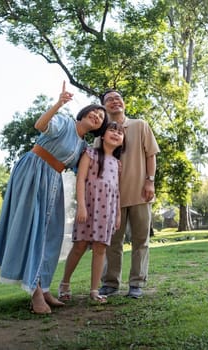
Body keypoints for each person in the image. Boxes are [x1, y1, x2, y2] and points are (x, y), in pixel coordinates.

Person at [0, 82, 107, 314]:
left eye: (102, 117)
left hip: (53, 181)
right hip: (33, 172)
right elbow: (40, 125)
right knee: (33, 229)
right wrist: (58, 103)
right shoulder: (64, 121)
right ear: (84, 113)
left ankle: (43, 287)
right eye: (95, 111)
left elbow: (84, 173)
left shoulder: (83, 147)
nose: (97, 116)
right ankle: (35, 293)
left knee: (51, 235)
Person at [98, 89, 159, 299]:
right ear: (104, 106)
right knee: (112, 242)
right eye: (109, 100)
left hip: (141, 193)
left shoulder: (140, 125)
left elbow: (151, 155)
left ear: (123, 102)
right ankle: (110, 283)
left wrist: (150, 182)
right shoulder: (102, 132)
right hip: (111, 198)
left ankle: (137, 284)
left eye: (118, 98)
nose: (115, 101)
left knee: (140, 240)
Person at [57, 119, 125, 303]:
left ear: (122, 140)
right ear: (103, 135)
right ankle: (64, 283)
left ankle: (94, 290)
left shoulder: (117, 164)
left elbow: (116, 190)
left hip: (107, 211)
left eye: (120, 132)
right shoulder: (90, 153)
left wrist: (118, 214)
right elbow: (80, 180)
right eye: (112, 130)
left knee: (100, 249)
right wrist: (81, 205)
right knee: (79, 246)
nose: (116, 134)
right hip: (88, 207)